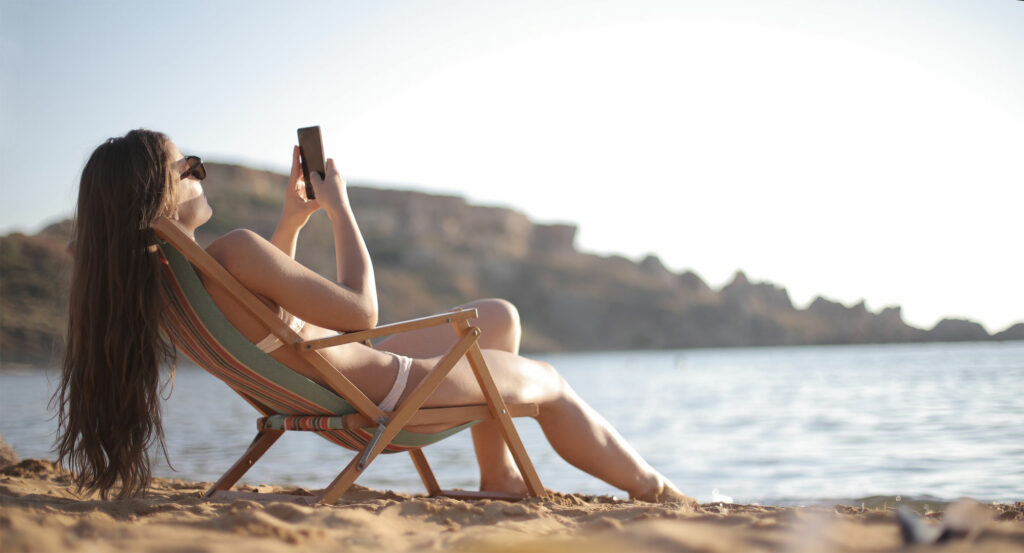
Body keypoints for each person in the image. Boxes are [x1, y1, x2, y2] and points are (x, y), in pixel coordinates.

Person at [54, 129, 694, 505]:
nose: (200, 172)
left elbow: (265, 318)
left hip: (332, 380)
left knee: (495, 317)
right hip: (387, 394)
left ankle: (498, 477)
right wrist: (338, 210)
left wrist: (290, 223)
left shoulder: (163, 283)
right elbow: (363, 310)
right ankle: (664, 493)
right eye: (187, 167)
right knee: (549, 383)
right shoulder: (230, 251)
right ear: (157, 192)